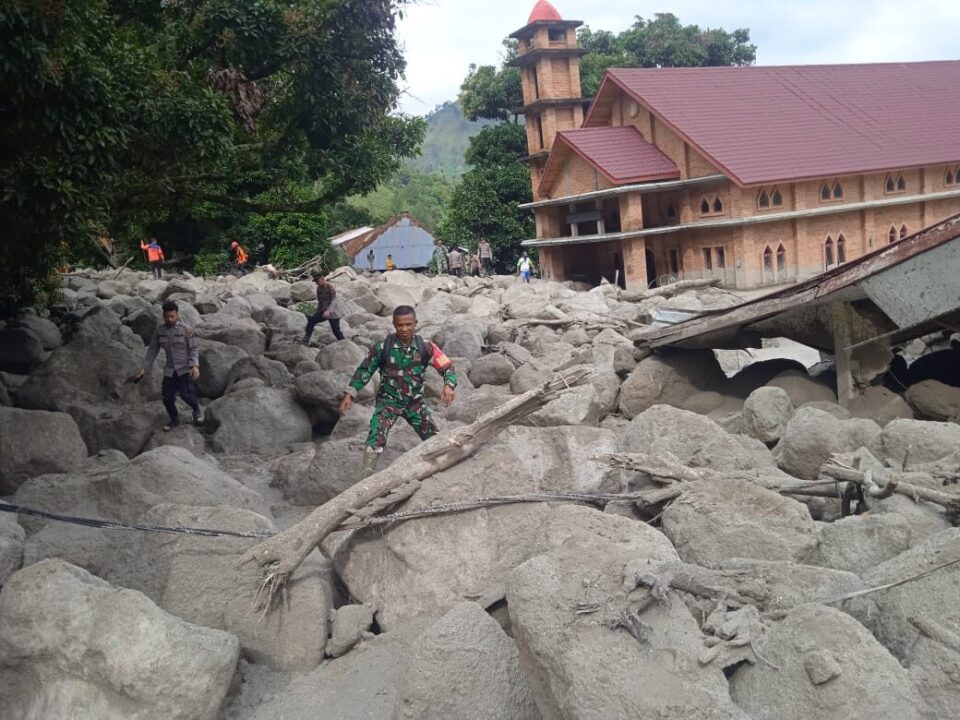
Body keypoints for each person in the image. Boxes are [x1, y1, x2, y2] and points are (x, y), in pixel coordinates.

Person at [339, 305, 457, 477]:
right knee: (375, 437)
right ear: (394, 324)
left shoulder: (426, 347)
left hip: (414, 404)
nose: (404, 329)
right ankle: (366, 479)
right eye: (400, 325)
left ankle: (447, 469)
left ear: (415, 323)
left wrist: (449, 385)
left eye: (408, 324)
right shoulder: (382, 348)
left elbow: (447, 366)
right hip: (388, 403)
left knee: (433, 437)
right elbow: (364, 370)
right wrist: (350, 394)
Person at [134, 301, 203, 431]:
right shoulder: (160, 331)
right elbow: (152, 350)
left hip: (184, 368)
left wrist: (195, 366)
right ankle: (174, 419)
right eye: (167, 316)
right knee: (167, 398)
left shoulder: (185, 329)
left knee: (185, 395)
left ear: (177, 314)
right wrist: (144, 368)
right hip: (170, 370)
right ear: (163, 315)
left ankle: (196, 409)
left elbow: (193, 348)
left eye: (172, 316)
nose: (169, 319)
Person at [303, 273, 343, 345]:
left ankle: (344, 343)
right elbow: (320, 302)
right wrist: (317, 312)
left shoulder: (330, 286)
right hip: (323, 311)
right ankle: (307, 338)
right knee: (311, 320)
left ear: (322, 278)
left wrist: (329, 310)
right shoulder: (318, 289)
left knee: (336, 331)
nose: (316, 283)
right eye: (315, 281)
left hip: (333, 313)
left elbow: (334, 300)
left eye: (317, 281)